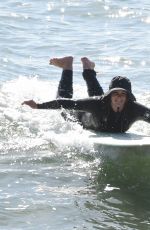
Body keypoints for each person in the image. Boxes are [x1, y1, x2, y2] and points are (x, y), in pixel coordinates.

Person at [22, 56, 150, 133]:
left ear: (128, 97)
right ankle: (67, 65)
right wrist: (38, 106)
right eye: (115, 93)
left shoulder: (135, 109)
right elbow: (65, 103)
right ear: (110, 95)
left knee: (96, 94)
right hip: (80, 117)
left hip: (98, 110)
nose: (119, 97)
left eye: (123, 94)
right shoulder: (97, 104)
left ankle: (88, 68)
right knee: (65, 106)